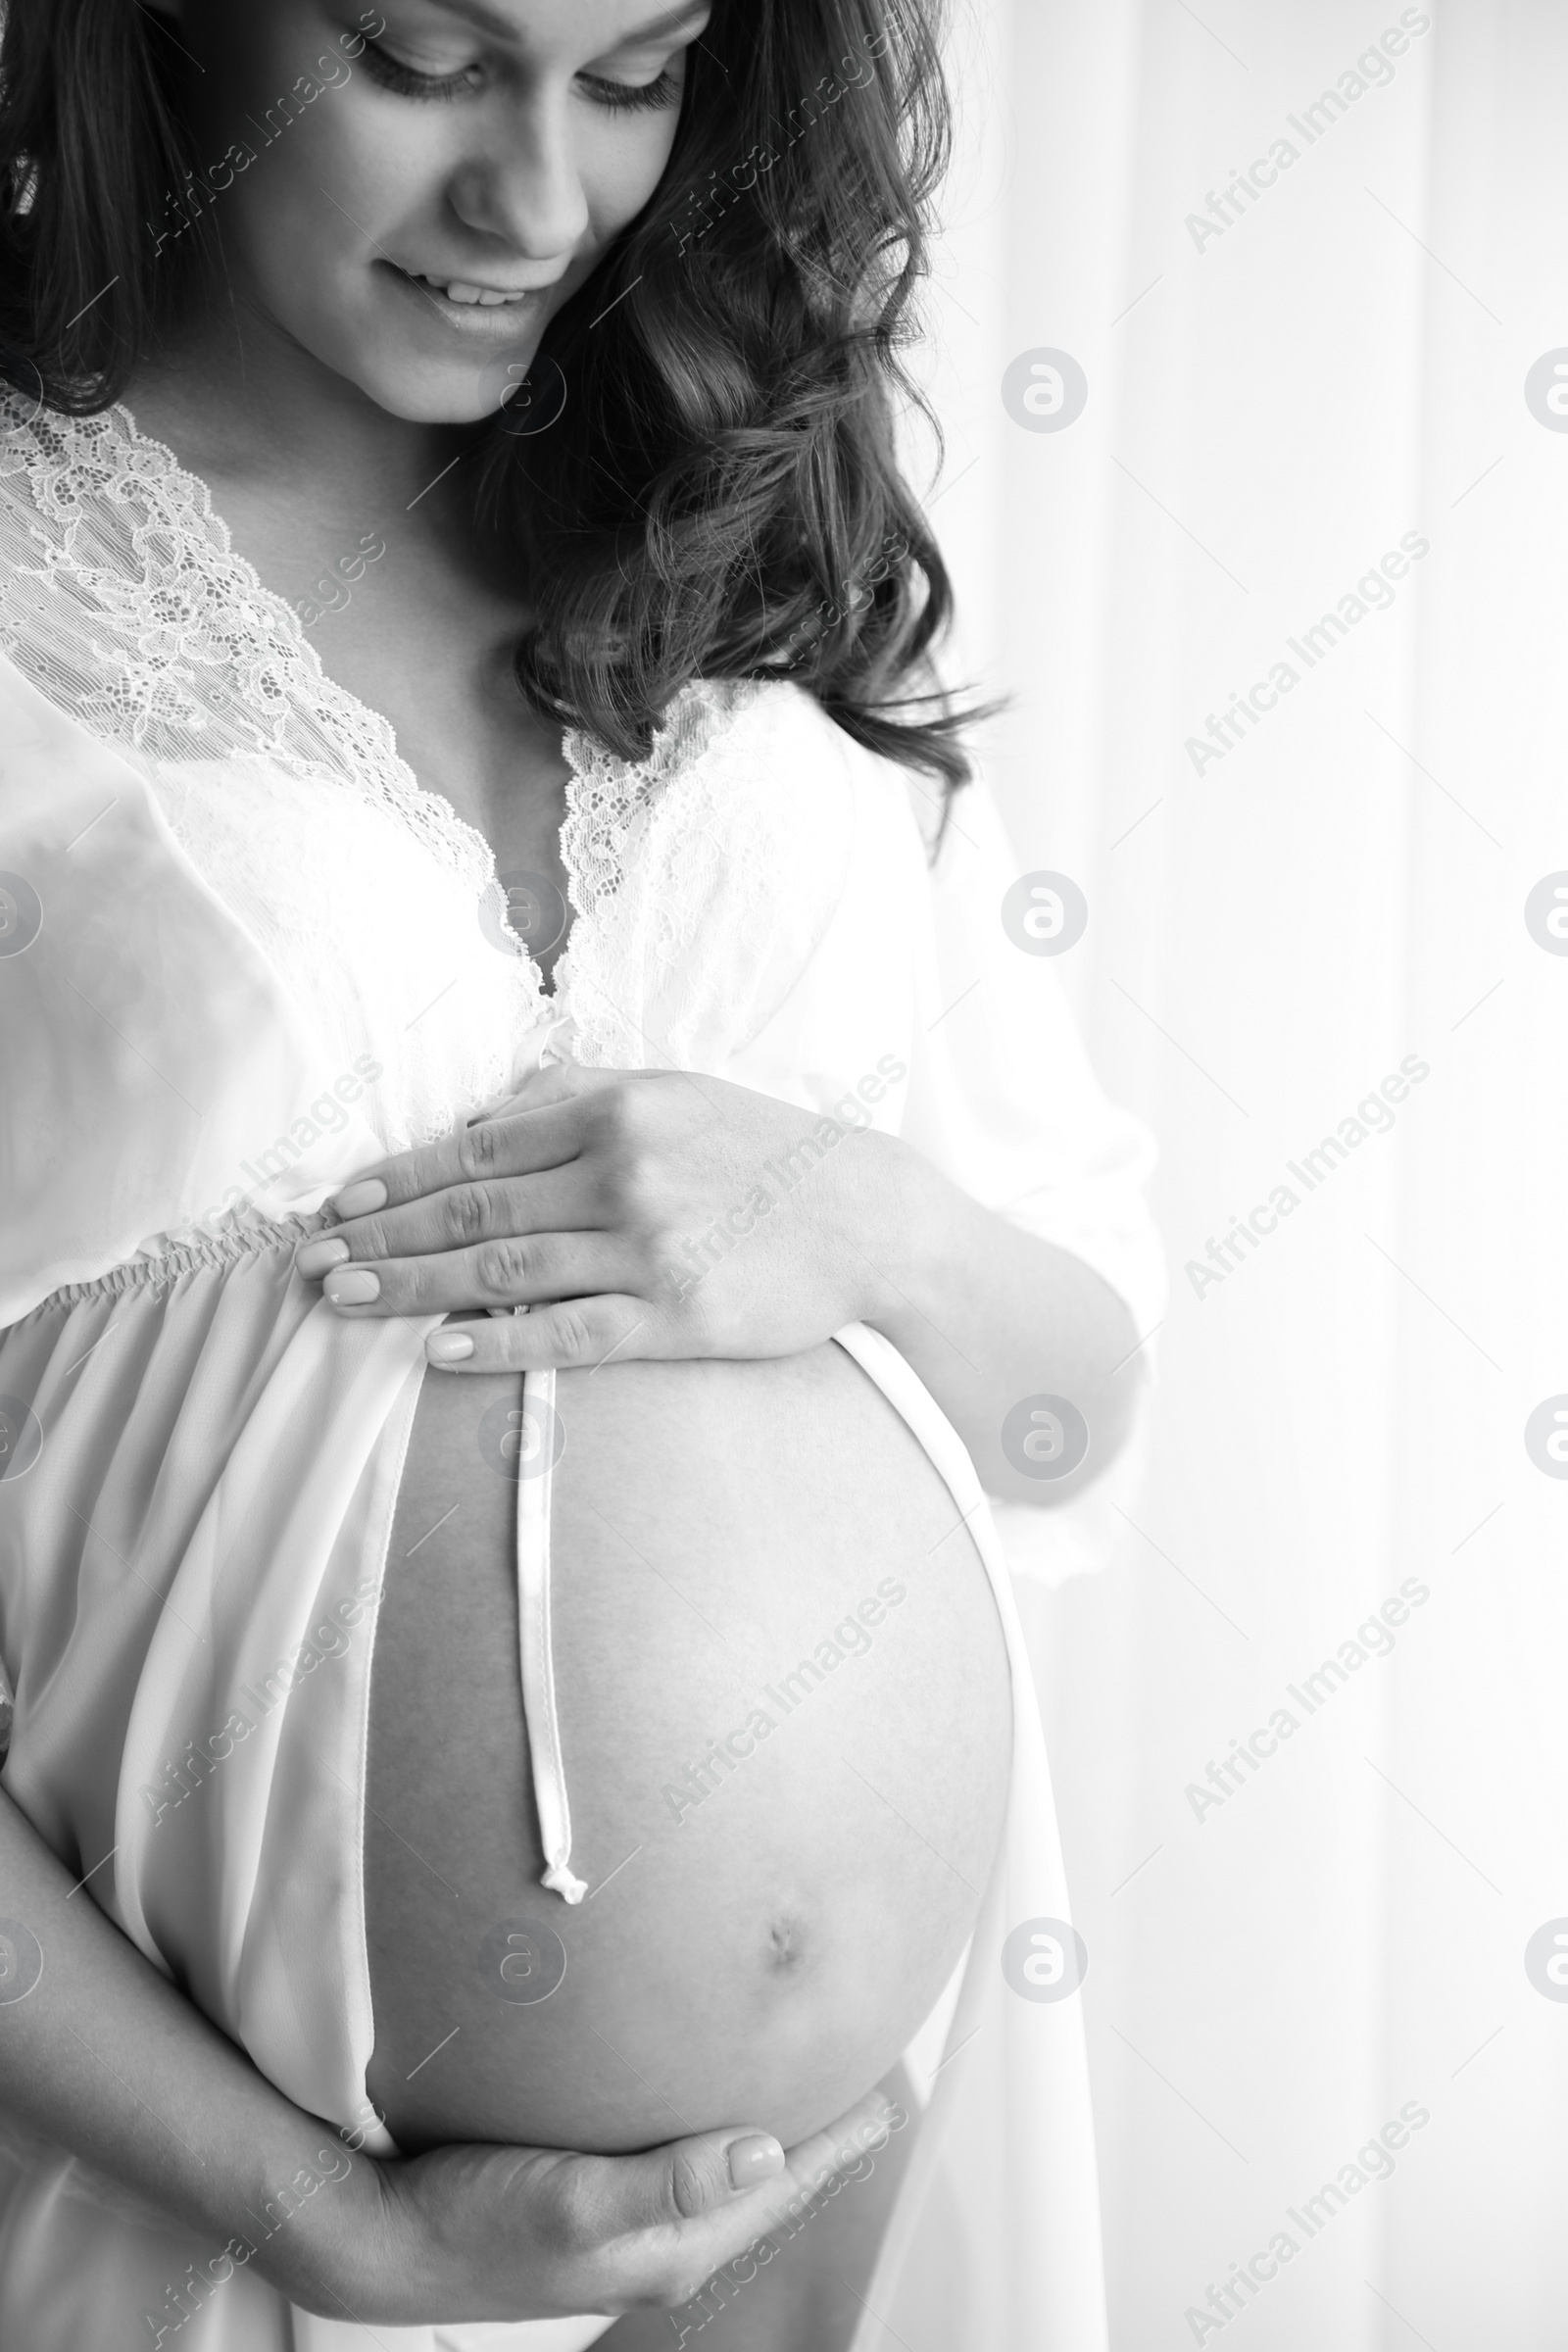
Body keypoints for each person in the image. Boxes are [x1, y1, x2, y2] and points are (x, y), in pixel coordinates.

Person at [0, 2, 1165, 2346]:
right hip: (205, 2184)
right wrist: (321, 2225)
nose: (533, 199)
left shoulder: (741, 547)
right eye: (426, 57)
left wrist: (875, 1228)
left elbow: (1077, 1409)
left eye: (629, 78)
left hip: (823, 2190)